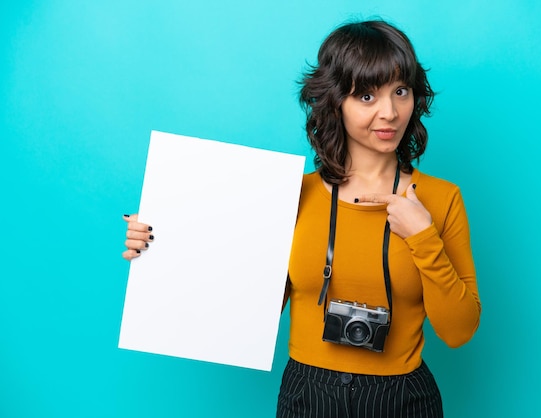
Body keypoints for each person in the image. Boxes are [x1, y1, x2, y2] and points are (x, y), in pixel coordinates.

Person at [122, 19, 481, 418]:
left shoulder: (441, 198)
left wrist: (423, 236)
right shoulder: (291, 195)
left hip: (403, 399)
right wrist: (163, 243)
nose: (390, 112)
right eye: (366, 96)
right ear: (334, 102)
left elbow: (459, 330)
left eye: (401, 91)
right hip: (308, 395)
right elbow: (245, 308)